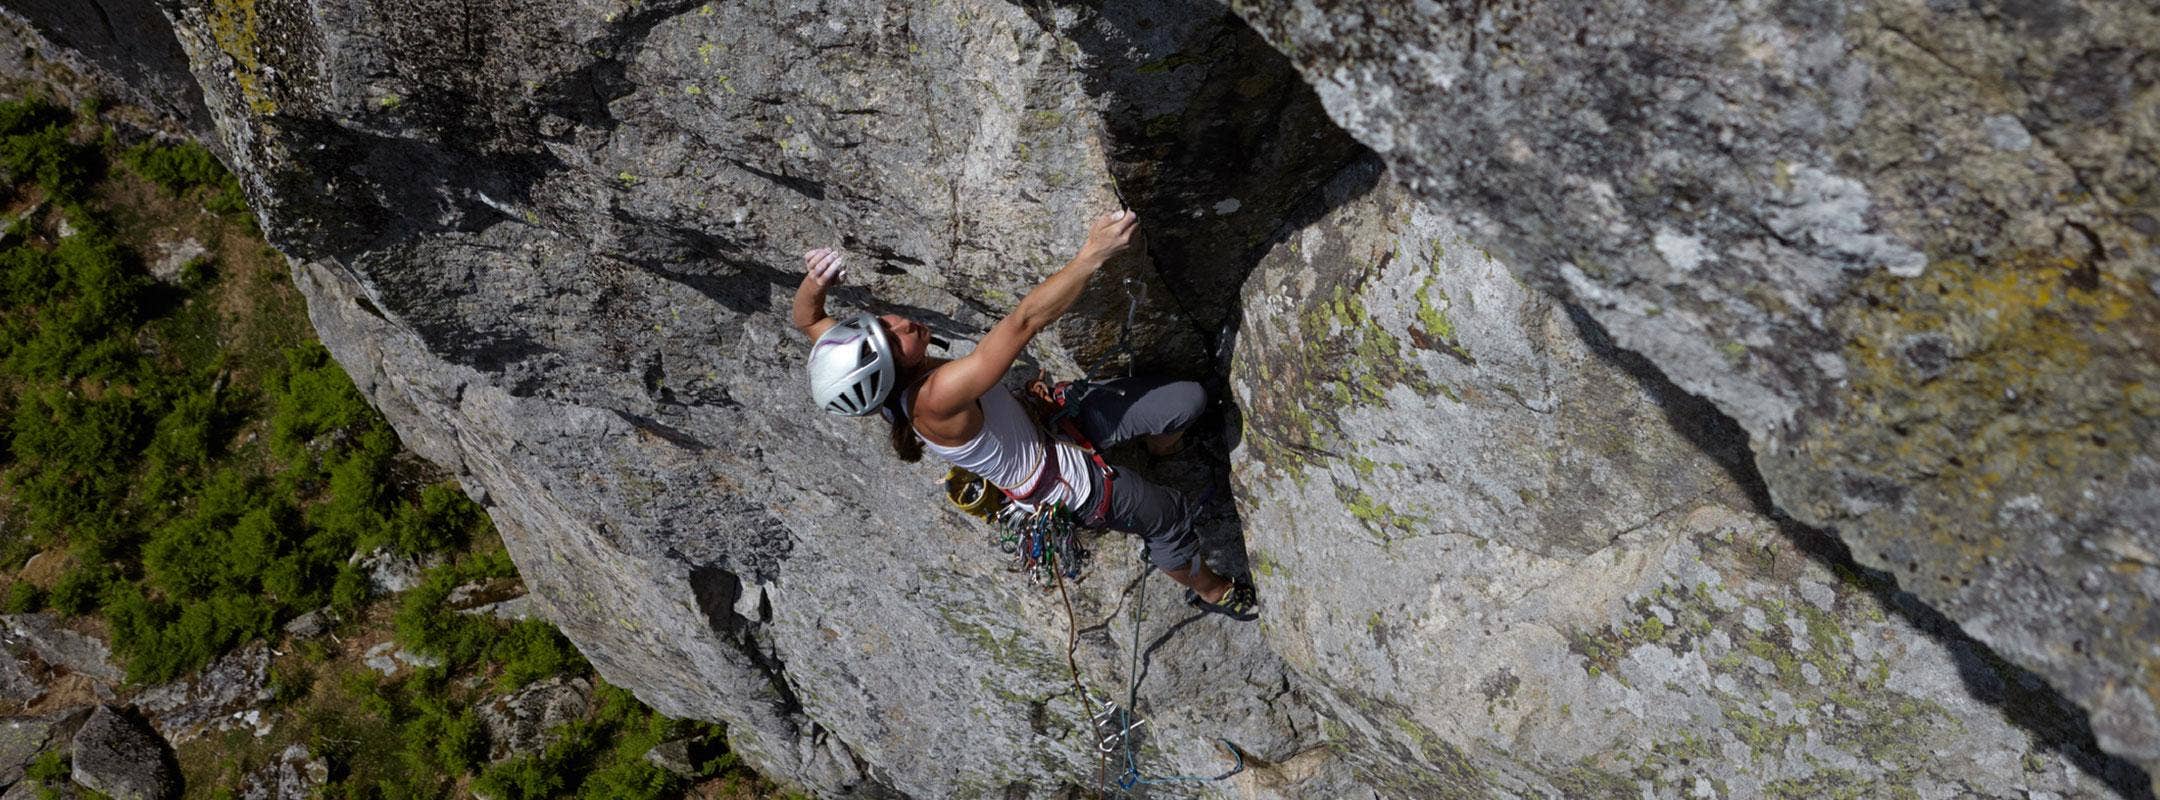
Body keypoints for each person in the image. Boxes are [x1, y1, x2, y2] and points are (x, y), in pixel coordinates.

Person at [791, 210, 1258, 620]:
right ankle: (1213, 591)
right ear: (888, 371)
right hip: (1069, 482)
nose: (901, 324)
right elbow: (1024, 323)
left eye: (885, 323)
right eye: (894, 341)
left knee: (1187, 400)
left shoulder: (871, 377)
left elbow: (809, 321)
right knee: (1169, 517)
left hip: (1050, 423)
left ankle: (1161, 449)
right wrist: (1092, 255)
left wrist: (815, 282)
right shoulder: (937, 397)